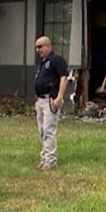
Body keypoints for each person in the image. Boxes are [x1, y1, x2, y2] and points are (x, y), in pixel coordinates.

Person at [34, 36, 68, 171]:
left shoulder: (56, 60)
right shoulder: (42, 62)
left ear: (48, 46)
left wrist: (59, 97)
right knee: (42, 131)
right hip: (40, 100)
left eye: (40, 47)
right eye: (36, 47)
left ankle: (51, 161)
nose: (38, 50)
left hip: (50, 100)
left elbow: (63, 78)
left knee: (49, 130)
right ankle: (44, 159)